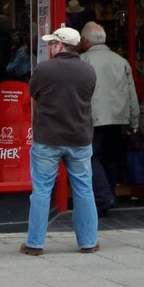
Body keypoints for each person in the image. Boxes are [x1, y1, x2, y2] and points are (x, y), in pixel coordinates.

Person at [21, 25, 98, 257]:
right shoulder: (88, 71)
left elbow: (33, 92)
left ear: (60, 45)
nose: (50, 47)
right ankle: (88, 242)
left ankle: (35, 243)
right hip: (79, 137)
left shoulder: (44, 69)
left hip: (48, 137)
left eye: (52, 43)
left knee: (42, 190)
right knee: (84, 189)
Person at [81, 21, 138, 211]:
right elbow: (132, 94)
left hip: (93, 119)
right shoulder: (121, 61)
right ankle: (109, 195)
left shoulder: (83, 61)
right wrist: (134, 121)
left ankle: (103, 197)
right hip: (118, 119)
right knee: (111, 159)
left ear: (86, 40)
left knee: (92, 157)